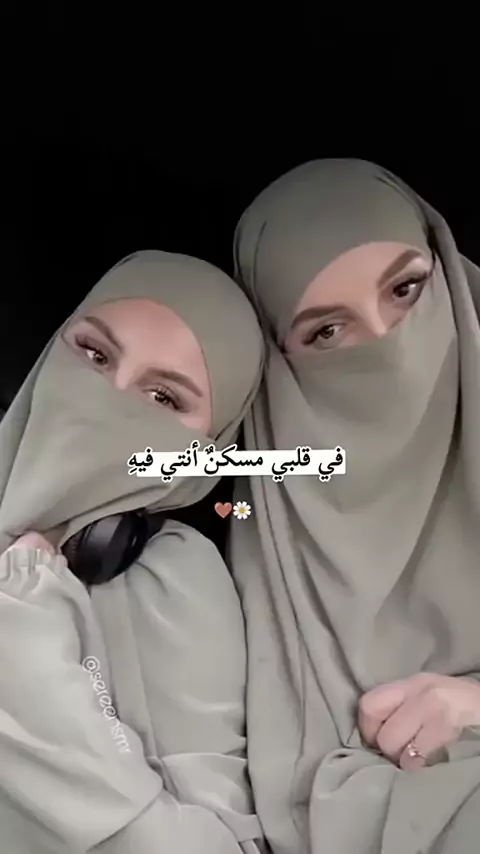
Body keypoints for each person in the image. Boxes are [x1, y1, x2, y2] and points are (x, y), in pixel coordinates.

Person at [230, 159, 480, 854]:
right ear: (279, 366)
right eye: (326, 332)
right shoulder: (259, 515)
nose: (388, 349)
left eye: (405, 290)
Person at [0, 250, 266, 853]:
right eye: (95, 355)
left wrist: (26, 651)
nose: (107, 397)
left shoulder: (174, 581)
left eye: (164, 398)